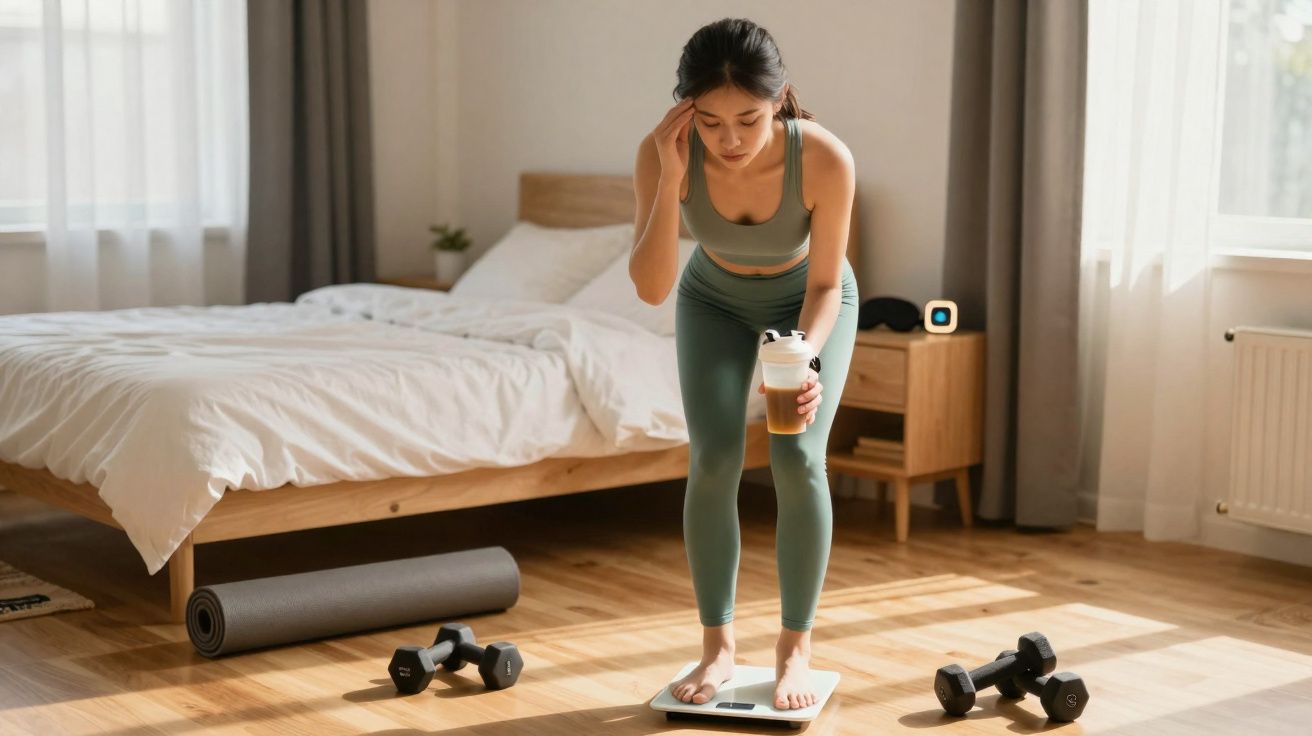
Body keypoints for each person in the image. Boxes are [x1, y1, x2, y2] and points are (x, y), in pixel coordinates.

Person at [629, 17, 859, 711]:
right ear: (684, 111)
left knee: (798, 460)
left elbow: (825, 284)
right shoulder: (662, 154)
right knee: (715, 458)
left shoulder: (824, 158)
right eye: (708, 121)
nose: (728, 140)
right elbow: (651, 286)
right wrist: (671, 176)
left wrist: (803, 357)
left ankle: (795, 650)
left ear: (780, 99)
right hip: (713, 303)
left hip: (809, 306)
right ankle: (718, 648)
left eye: (748, 120)